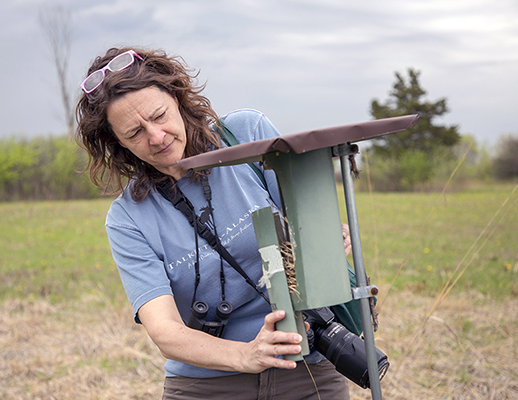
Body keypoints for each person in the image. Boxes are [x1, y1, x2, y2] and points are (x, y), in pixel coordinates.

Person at [75, 47, 352, 400]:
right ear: (116, 143)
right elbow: (165, 330)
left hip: (308, 364)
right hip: (204, 385)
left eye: (159, 116)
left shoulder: (248, 133)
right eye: (134, 133)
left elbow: (306, 226)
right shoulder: (127, 218)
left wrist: (326, 241)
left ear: (178, 98)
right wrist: (244, 355)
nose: (157, 137)